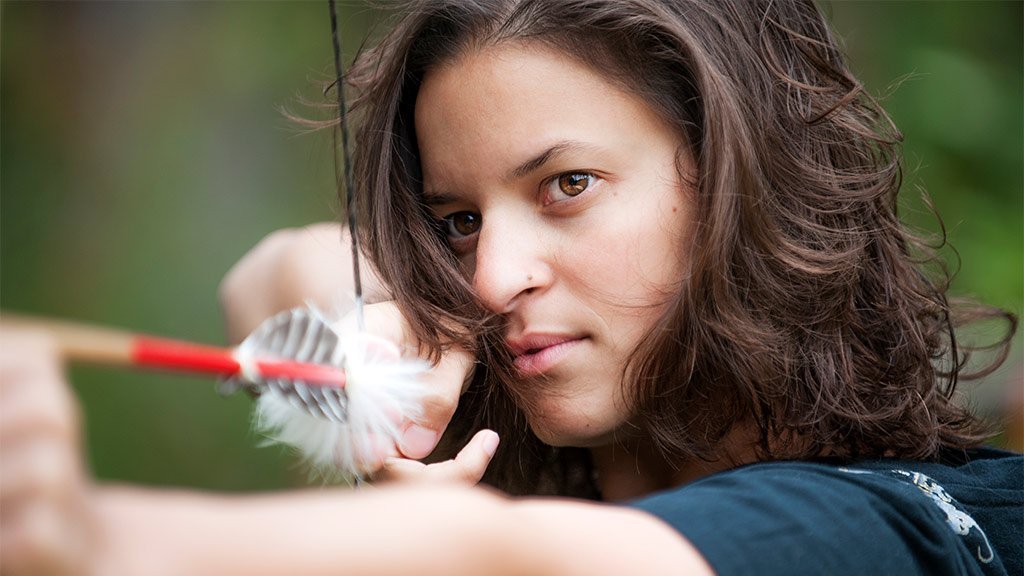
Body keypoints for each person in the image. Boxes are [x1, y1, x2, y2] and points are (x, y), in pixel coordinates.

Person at [1, 1, 1020, 575]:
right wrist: (371, 330)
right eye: (456, 222)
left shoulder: (922, 528)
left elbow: (502, 557)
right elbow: (270, 272)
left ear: (738, 180)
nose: (489, 279)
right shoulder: (492, 455)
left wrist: (91, 537)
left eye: (566, 186)